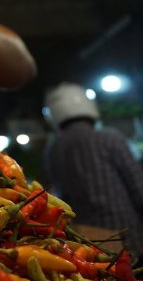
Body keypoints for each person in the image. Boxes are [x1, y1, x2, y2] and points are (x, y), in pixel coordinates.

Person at [43, 82, 143, 260]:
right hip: (130, 236)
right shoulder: (110, 138)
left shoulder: (53, 151)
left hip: (89, 243)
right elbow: (138, 185)